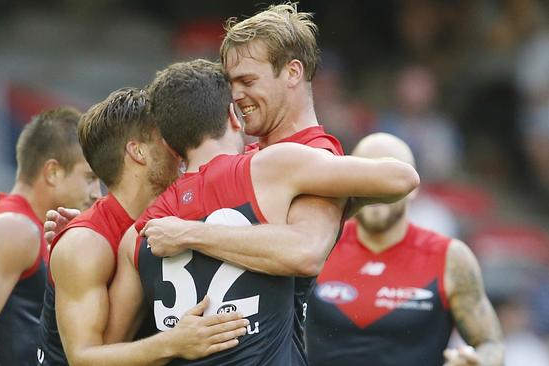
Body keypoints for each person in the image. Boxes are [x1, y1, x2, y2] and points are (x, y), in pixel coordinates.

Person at [106, 59, 418, 365]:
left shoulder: (139, 233)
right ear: (233, 115)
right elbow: (401, 179)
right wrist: (343, 200)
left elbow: (106, 354)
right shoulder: (269, 168)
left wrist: (168, 343)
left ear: (170, 146)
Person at [36, 88, 251, 366]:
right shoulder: (84, 244)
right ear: (138, 151)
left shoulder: (174, 216)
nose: (180, 148)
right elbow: (83, 358)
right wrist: (174, 342)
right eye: (167, 139)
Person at [305, 133, 504, 366]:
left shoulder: (449, 258)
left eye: (388, 177)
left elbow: (491, 343)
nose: (375, 189)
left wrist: (477, 362)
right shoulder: (317, 243)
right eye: (364, 175)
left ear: (413, 187)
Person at [0, 107, 102, 366]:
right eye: (89, 178)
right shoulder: (14, 229)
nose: (97, 193)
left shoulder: (23, 226)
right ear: (52, 172)